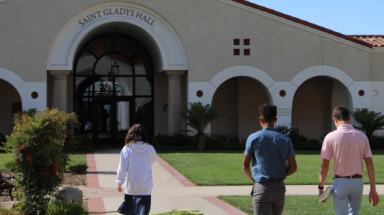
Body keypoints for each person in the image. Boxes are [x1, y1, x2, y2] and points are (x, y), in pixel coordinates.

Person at [318, 106, 380, 214]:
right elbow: (370, 165)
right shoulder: (362, 137)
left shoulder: (330, 137)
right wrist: (373, 189)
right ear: (349, 119)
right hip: (358, 182)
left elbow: (325, 166)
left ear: (335, 119)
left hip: (340, 182)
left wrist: (321, 188)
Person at [243, 103, 297, 215]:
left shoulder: (253, 138)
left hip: (262, 186)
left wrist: (251, 176)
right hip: (279, 188)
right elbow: (293, 167)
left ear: (260, 119)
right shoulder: (285, 140)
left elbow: (245, 165)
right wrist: (280, 173)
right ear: (275, 119)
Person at [115, 124, 158, 215]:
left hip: (131, 188)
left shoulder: (127, 149)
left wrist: (120, 182)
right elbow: (153, 159)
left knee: (130, 212)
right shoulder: (150, 148)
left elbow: (122, 167)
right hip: (145, 188)